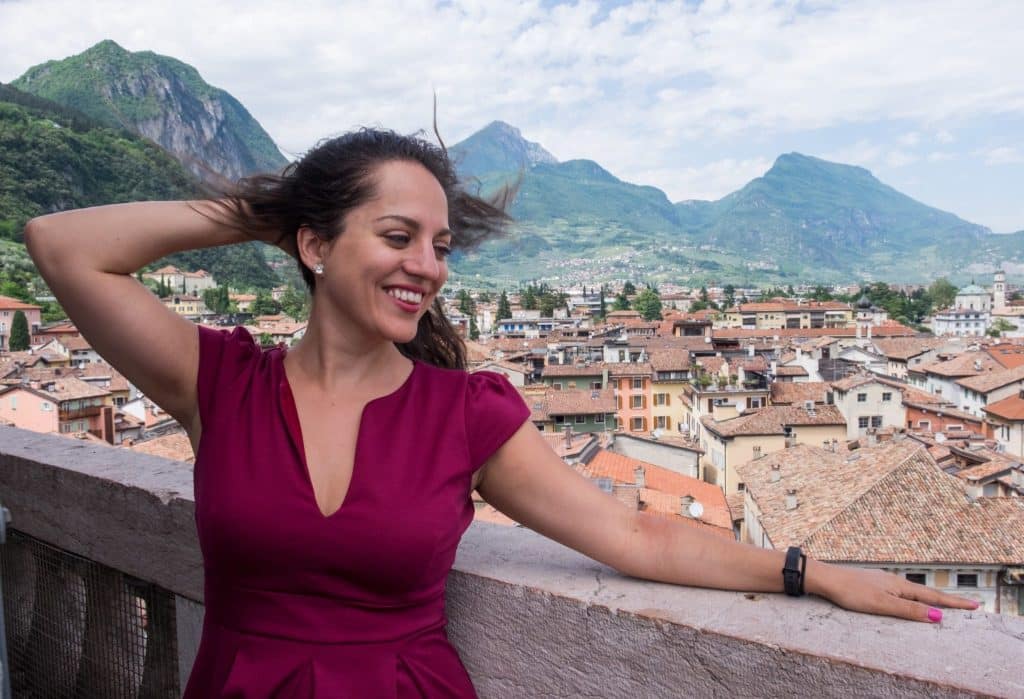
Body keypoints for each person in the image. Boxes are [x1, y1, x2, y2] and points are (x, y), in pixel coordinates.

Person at [25, 128, 977, 697]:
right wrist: (267, 207)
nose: (428, 267)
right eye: (397, 236)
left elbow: (637, 535)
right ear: (313, 245)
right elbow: (62, 244)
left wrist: (806, 570)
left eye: (439, 244)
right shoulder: (219, 380)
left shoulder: (464, 413)